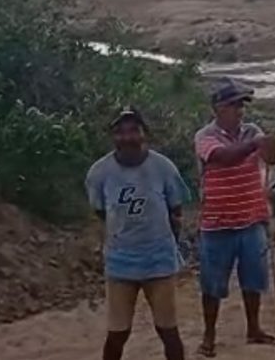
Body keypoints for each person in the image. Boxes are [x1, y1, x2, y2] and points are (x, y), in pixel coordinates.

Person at [85, 106, 189, 360]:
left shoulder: (164, 168)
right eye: (120, 132)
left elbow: (176, 211)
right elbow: (101, 211)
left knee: (168, 330)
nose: (127, 137)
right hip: (121, 263)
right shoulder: (99, 173)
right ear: (113, 137)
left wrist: (168, 247)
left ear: (145, 134)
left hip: (159, 261)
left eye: (134, 130)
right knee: (117, 333)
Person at [194, 77, 275, 358]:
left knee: (253, 280)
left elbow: (270, 158)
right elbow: (224, 158)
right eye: (234, 105)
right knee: (212, 285)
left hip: (252, 219)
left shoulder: (252, 131)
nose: (240, 110)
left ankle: (253, 328)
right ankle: (209, 335)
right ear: (218, 108)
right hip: (217, 223)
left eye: (241, 105)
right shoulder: (204, 136)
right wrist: (258, 144)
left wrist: (272, 147)